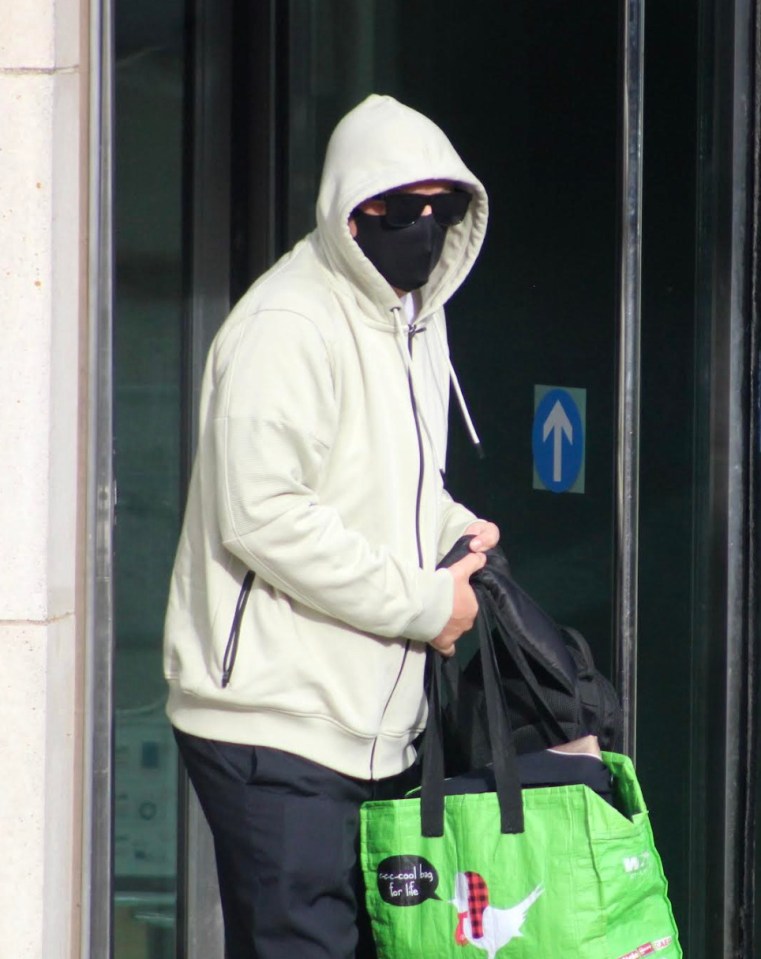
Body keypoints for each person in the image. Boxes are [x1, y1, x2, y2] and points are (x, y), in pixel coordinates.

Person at [163, 93, 499, 959]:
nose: (421, 228)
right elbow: (263, 515)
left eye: (441, 207)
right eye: (395, 208)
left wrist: (458, 535)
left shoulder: (411, 315)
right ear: (348, 207)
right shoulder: (288, 322)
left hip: (372, 722)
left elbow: (388, 480)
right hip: (275, 724)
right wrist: (426, 607)